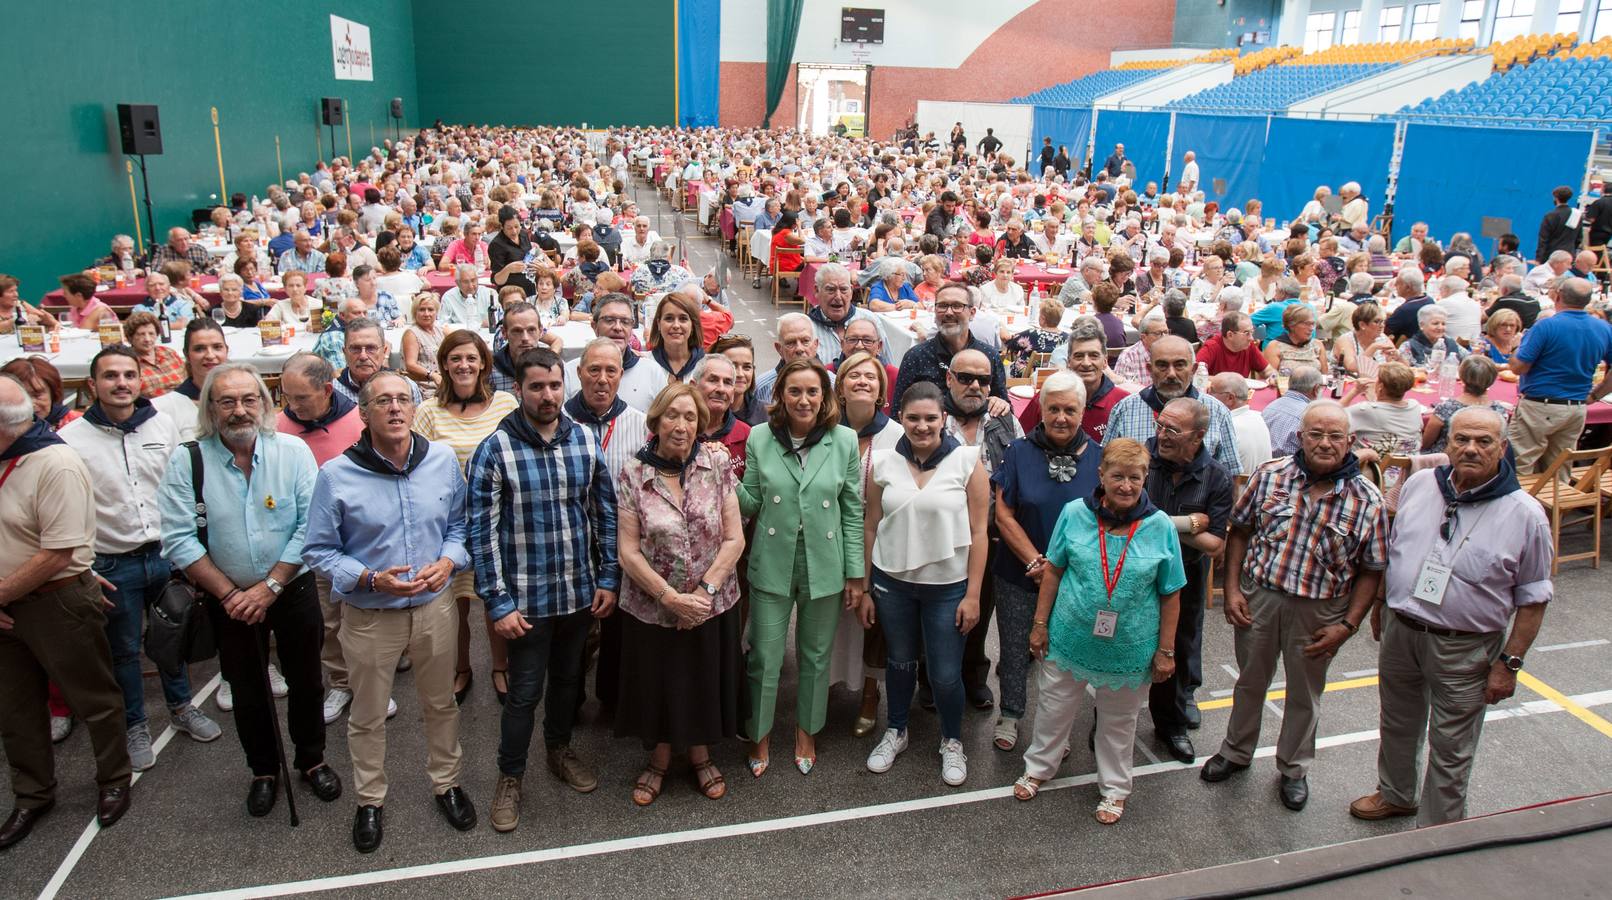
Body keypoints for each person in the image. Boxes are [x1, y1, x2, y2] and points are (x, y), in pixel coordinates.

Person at [1352, 408, 1551, 826]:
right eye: (1461, 439)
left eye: (1483, 442)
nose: (1471, 449)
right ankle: (1396, 794)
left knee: (1452, 746)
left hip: (1467, 648)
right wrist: (1380, 603)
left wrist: (1509, 664)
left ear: (1503, 447)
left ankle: (1439, 830)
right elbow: (1396, 549)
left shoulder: (1526, 514)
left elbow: (1533, 599)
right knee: (1398, 722)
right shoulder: (1422, 484)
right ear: (1447, 442)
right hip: (1402, 630)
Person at [157, 363, 338, 820]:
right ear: (211, 408)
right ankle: (263, 771)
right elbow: (179, 538)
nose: (239, 411)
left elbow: (310, 525)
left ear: (265, 403)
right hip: (228, 598)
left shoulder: (293, 452)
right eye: (227, 402)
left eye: (249, 400)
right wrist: (231, 594)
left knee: (307, 680)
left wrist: (271, 585)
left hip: (291, 589)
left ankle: (311, 758)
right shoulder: (187, 459)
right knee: (248, 688)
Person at [303, 370, 474, 852]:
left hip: (435, 609)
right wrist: (369, 577)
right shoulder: (336, 474)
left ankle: (447, 783)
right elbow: (318, 549)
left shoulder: (440, 460)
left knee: (441, 704)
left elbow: (460, 526)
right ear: (364, 412)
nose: (395, 408)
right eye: (383, 401)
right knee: (368, 715)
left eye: (404, 399)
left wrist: (448, 562)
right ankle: (370, 800)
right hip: (371, 616)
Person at [1202, 401, 1388, 811]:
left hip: (1320, 611)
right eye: (1315, 434)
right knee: (1250, 681)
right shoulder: (1269, 476)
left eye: (1334, 436)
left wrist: (1349, 625)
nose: (1324, 443)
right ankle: (1235, 751)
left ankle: (1293, 768)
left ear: (1350, 441)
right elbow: (1240, 533)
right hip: (1260, 600)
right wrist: (1232, 589)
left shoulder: (1368, 500)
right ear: (1300, 437)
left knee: (1305, 693)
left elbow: (1372, 570)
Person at [467, 348, 618, 834]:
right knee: (524, 692)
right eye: (536, 387)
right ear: (518, 389)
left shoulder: (584, 442)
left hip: (577, 595)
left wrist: (608, 577)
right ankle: (510, 777)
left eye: (554, 385)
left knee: (568, 683)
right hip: (526, 603)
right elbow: (481, 534)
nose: (548, 395)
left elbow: (605, 515)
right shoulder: (495, 450)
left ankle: (558, 750)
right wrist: (497, 601)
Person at [61, 347, 222, 774]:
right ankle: (135, 724)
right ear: (92, 385)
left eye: (129, 375)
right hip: (112, 564)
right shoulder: (72, 440)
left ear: (140, 380)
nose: (121, 383)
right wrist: (84, 567)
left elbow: (182, 486)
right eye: (111, 376)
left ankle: (182, 706)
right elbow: (65, 509)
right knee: (126, 651)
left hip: (166, 556)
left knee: (173, 639)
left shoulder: (162, 425)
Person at [1012, 437, 1182, 824]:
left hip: (1129, 649)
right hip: (1070, 636)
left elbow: (1171, 593)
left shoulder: (1159, 527)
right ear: (1101, 475)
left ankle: (1115, 789)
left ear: (1145, 480)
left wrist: (1166, 651)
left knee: (1119, 723)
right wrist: (1039, 625)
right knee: (1054, 708)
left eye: (1135, 478)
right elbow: (1053, 570)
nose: (1125, 486)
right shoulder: (1074, 513)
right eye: (1117, 476)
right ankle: (1039, 767)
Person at [0, 374, 133, 850]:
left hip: (55, 600)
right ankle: (32, 795)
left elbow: (57, 552)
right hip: (7, 605)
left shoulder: (54, 463)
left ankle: (114, 777)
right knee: (15, 709)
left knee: (93, 697)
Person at [612, 383, 745, 805]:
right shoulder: (634, 473)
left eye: (691, 418)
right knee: (660, 681)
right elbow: (628, 551)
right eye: (673, 416)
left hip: (712, 602)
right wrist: (670, 598)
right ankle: (660, 758)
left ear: (700, 425)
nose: (682, 425)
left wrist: (704, 594)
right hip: (653, 606)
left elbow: (734, 539)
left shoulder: (718, 465)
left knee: (702, 677)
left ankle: (702, 754)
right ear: (656, 422)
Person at [737, 358, 863, 777]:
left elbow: (851, 512)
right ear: (780, 396)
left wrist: (855, 574)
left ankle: (806, 731)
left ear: (825, 396)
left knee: (815, 656)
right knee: (765, 658)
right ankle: (759, 733)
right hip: (772, 562)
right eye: (795, 391)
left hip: (824, 564)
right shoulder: (759, 438)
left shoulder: (844, 440)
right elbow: (751, 501)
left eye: (813, 391)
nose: (804, 399)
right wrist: (722, 478)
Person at [860, 381, 990, 786]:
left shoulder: (968, 461)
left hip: (947, 587)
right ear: (901, 418)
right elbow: (870, 525)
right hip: (892, 583)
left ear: (943, 418)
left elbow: (980, 532)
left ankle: (952, 740)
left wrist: (972, 595)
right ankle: (896, 730)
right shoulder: (882, 462)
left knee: (946, 673)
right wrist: (865, 587)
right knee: (898, 662)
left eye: (930, 418)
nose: (921, 426)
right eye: (913, 418)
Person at [990, 371, 1102, 752]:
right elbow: (1003, 514)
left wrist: (1058, 570)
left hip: (1074, 578)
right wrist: (1037, 563)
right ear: (1040, 408)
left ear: (1082, 412)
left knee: (1062, 654)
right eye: (1053, 408)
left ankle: (1055, 727)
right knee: (1015, 646)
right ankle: (1011, 714)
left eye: (1069, 410)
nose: (1060, 417)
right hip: (1018, 572)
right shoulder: (1018, 452)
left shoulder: (1100, 460)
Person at [412, 331, 522, 707]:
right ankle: (461, 667)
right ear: (444, 363)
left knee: (494, 598)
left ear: (483, 365)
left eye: (471, 359)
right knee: (454, 603)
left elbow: (517, 458)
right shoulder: (428, 411)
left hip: (496, 519)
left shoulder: (504, 405)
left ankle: (500, 665)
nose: (463, 365)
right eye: (456, 358)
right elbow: (417, 468)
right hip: (448, 525)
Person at [1144, 399, 1234, 763]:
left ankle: (1171, 726)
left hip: (1185, 578)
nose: (1161, 436)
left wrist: (1155, 520)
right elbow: (1120, 510)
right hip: (1134, 572)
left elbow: (1215, 545)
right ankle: (1106, 721)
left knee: (1177, 650)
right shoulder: (1140, 458)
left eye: (1172, 430)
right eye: (1160, 426)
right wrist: (1189, 524)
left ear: (1198, 436)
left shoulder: (1217, 477)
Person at [829, 351, 904, 735]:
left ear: (881, 390)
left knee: (871, 621)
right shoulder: (825, 430)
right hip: (832, 539)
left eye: (870, 377)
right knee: (830, 618)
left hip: (879, 539)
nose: (862, 381)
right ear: (840, 387)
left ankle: (870, 694)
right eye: (853, 375)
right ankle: (824, 686)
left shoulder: (896, 435)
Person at [1506, 278, 1612, 472]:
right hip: (1575, 407)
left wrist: (1514, 347)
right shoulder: (1603, 328)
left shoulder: (1547, 326)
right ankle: (1556, 501)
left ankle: (1519, 502)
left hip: (1540, 405)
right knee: (1559, 467)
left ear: (1558, 295)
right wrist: (1595, 395)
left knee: (1520, 464)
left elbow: (1519, 367)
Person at [1105, 336, 1242, 474]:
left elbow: (1231, 474)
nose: (1171, 374)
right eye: (1162, 365)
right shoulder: (1125, 409)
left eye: (1179, 365)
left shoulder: (1217, 411)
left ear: (1193, 369)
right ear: (1149, 369)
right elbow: (1107, 465)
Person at [892, 283, 1009, 415]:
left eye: (957, 306)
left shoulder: (989, 355)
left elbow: (1004, 406)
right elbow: (898, 411)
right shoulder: (916, 357)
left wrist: (1000, 403)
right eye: (942, 306)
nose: (948, 312)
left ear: (972, 313)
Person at [152, 319, 229, 443]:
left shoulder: (247, 400)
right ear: (186, 354)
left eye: (217, 347)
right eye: (199, 349)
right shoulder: (164, 408)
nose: (210, 355)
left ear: (226, 350)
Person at [1422, 356, 1510, 453]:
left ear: (1461, 376)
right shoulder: (1499, 411)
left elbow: (1426, 443)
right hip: (1483, 462)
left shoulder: (1445, 408)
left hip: (1445, 462)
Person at [332, 317, 423, 408]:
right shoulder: (332, 392)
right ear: (344, 352)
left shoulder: (407, 387)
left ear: (384, 351)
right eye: (355, 349)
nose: (363, 356)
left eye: (371, 348)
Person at [1261, 365, 1325, 457]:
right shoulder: (1310, 416)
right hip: (1291, 468)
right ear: (1316, 389)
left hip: (1264, 464)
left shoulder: (1269, 407)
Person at [644, 289, 705, 385]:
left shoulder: (706, 366)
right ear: (659, 324)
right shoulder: (645, 364)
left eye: (683, 319)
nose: (676, 325)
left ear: (692, 325)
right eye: (669, 318)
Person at [1197, 311, 1274, 379]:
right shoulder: (1212, 347)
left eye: (1252, 332)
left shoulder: (1248, 346)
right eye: (1247, 333)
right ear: (1230, 335)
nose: (1251, 338)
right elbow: (1196, 375)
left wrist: (1273, 377)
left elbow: (1267, 371)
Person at [1332, 303, 1396, 377]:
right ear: (1362, 325)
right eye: (1377, 322)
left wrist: (1398, 357)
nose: (1382, 325)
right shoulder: (1345, 340)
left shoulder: (1382, 337)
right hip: (1347, 384)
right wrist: (1373, 347)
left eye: (1383, 322)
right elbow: (1351, 367)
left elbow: (1397, 366)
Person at [1263, 305, 1325, 374]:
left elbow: (1325, 376)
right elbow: (1268, 379)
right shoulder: (1274, 347)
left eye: (1313, 324)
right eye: (1307, 324)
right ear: (1291, 325)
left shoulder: (1317, 345)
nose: (1311, 328)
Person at [1385, 268, 1435, 343]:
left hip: (1404, 347)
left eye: (1398, 283)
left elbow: (1385, 330)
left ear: (1408, 287)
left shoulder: (1405, 310)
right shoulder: (1430, 300)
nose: (1395, 285)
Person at [1535, 185, 1576, 262]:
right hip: (1568, 255)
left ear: (1556, 197)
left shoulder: (1550, 215)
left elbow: (1543, 239)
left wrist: (1539, 258)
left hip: (1552, 256)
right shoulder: (1576, 215)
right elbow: (1578, 239)